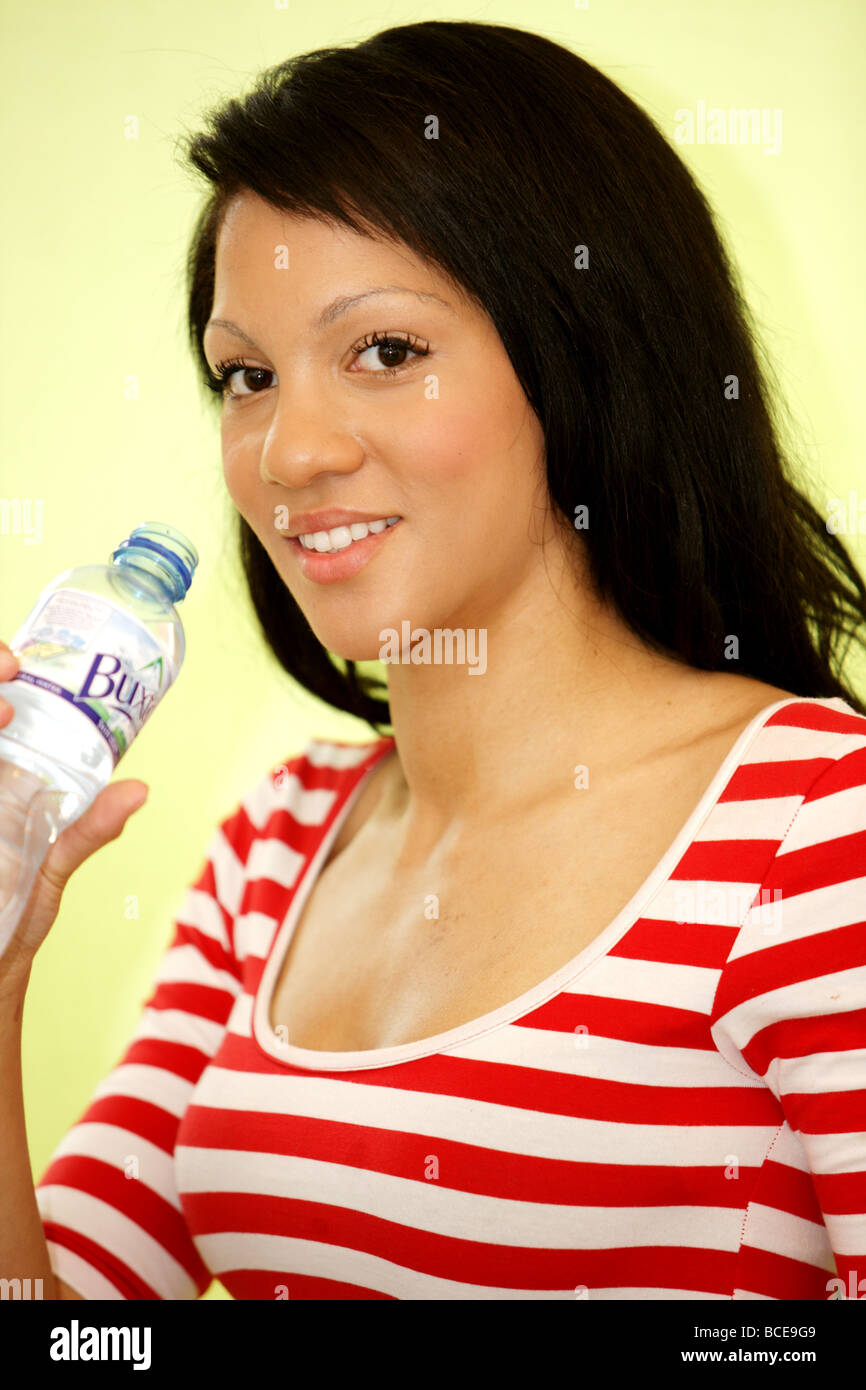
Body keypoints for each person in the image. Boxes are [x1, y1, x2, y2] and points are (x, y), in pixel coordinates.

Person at [2, 19, 865, 1301]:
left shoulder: (816, 829)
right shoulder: (277, 847)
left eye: (385, 352)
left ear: (583, 357)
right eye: (244, 376)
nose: (288, 453)